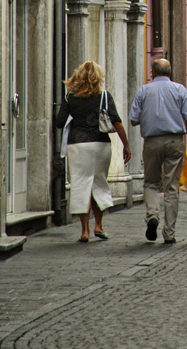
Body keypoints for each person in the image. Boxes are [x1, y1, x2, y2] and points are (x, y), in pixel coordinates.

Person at [56, 60, 131, 242]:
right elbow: (117, 121)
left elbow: (59, 122)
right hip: (100, 144)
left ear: (78, 76)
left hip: (77, 146)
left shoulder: (70, 97)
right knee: (98, 182)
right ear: (98, 77)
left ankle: (84, 231)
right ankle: (99, 225)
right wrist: (126, 145)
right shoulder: (104, 96)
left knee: (81, 184)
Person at [130, 58, 187, 244]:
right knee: (172, 186)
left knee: (151, 182)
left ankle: (152, 215)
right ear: (170, 73)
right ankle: (169, 233)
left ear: (153, 73)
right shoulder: (179, 90)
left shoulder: (143, 91)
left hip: (152, 142)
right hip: (175, 141)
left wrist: (149, 115)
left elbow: (133, 120)